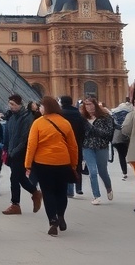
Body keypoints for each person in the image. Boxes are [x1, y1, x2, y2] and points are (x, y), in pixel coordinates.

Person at [25, 96, 79, 237]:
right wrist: (73, 163)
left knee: (48, 192)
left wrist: (28, 164)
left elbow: (32, 146)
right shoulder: (65, 123)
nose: (39, 109)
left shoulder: (38, 123)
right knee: (61, 191)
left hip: (43, 163)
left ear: (46, 107)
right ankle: (61, 216)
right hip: (63, 161)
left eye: (41, 106)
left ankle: (53, 221)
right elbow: (73, 146)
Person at [1, 94, 41, 215]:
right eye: (10, 104)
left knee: (14, 177)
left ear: (20, 104)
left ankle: (15, 204)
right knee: (20, 177)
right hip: (13, 152)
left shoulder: (27, 117)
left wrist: (14, 151)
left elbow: (25, 138)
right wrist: (7, 149)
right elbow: (9, 135)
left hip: (21, 152)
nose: (11, 107)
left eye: (13, 104)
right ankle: (35, 193)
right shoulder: (12, 117)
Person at [80, 97, 114, 205]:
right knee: (92, 171)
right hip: (87, 147)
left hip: (101, 147)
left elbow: (108, 133)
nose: (89, 107)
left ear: (95, 104)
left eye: (90, 104)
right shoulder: (83, 118)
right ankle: (96, 195)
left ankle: (108, 187)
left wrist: (93, 129)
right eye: (86, 105)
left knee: (102, 171)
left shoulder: (105, 117)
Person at [58, 95, 86, 197]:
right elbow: (83, 130)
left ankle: (69, 190)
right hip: (77, 142)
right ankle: (78, 187)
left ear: (62, 103)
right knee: (77, 165)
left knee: (66, 165)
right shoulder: (78, 114)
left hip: (64, 143)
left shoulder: (60, 114)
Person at [111, 100, 133, 180]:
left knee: (121, 156)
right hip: (129, 136)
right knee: (131, 155)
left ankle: (124, 172)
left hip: (118, 136)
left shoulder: (114, 113)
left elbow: (112, 125)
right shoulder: (132, 113)